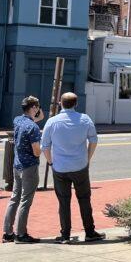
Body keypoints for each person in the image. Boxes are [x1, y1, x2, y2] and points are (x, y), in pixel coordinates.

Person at [41, 92, 104, 243]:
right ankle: (89, 231)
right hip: (80, 166)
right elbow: (94, 141)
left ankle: (65, 235)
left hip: (60, 167)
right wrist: (87, 158)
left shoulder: (52, 121)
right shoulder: (85, 119)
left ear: (60, 103)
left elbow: (45, 146)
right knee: (84, 199)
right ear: (76, 104)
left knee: (63, 202)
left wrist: (51, 162)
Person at [3, 96, 44, 243]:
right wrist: (43, 147)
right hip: (29, 167)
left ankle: (7, 232)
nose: (39, 109)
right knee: (25, 201)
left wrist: (35, 104)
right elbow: (36, 151)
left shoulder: (18, 121)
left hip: (17, 165)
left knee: (14, 198)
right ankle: (21, 234)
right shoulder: (33, 128)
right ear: (33, 108)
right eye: (37, 107)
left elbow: (40, 117)